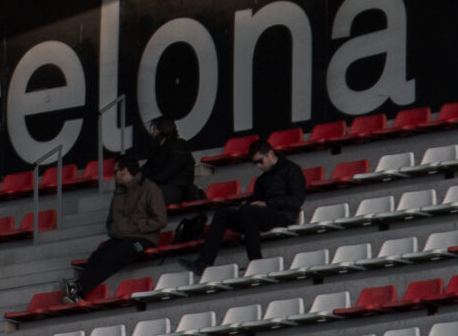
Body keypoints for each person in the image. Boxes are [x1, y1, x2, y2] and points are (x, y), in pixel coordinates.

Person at [188, 138, 306, 277]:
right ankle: (203, 263)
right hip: (261, 214)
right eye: (255, 163)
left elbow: (296, 200)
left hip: (283, 215)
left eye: (260, 161)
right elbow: (257, 200)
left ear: (270, 154)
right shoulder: (262, 179)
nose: (258, 166)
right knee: (223, 214)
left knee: (248, 212)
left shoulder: (291, 169)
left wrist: (267, 203)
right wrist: (249, 203)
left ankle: (256, 260)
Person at [61, 154, 167, 306]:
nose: (113, 175)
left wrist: (133, 227)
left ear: (124, 171)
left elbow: (160, 220)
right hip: (121, 237)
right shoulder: (119, 192)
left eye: (115, 171)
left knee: (114, 255)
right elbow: (110, 222)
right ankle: (77, 289)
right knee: (97, 255)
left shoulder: (150, 188)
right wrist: (116, 230)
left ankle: (79, 289)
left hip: (143, 240)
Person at [142, 114, 202, 207]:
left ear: (163, 131)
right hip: (160, 188)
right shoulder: (156, 151)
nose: (153, 134)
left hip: (179, 191)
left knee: (147, 197)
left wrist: (147, 181)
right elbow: (145, 170)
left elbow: (166, 173)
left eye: (155, 130)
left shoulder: (179, 147)